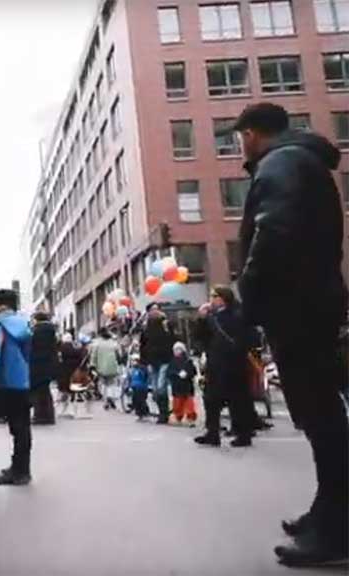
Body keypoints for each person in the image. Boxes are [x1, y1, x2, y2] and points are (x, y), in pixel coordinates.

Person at [232, 102, 348, 566]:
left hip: (296, 306)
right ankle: (330, 510)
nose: (240, 144)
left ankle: (337, 529)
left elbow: (273, 233)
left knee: (321, 417)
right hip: (309, 303)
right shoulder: (302, 161)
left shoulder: (280, 163)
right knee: (321, 416)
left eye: (240, 136)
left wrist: (250, 294)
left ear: (252, 133)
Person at [193, 286, 254, 447]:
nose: (211, 299)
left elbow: (248, 337)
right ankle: (212, 432)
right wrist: (201, 318)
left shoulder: (237, 315)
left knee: (237, 401)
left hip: (234, 364)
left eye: (214, 296)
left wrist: (238, 351)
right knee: (211, 399)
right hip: (215, 363)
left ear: (222, 298)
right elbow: (199, 337)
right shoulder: (211, 317)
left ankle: (243, 434)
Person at [0, 289, 34, 486]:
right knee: (23, 427)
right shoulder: (24, 324)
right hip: (23, 380)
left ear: (2, 305)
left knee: (16, 427)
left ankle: (18, 472)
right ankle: (22, 469)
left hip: (6, 380)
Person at [140, 303, 175, 424]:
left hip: (165, 359)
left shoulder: (166, 324)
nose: (155, 312)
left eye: (157, 309)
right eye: (152, 310)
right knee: (155, 389)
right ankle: (162, 411)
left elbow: (174, 339)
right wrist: (144, 361)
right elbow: (143, 345)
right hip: (152, 361)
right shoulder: (146, 327)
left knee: (161, 387)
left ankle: (164, 414)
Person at [29, 312, 59, 425]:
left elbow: (33, 348)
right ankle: (48, 416)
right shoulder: (50, 331)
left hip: (38, 365)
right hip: (48, 364)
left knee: (38, 391)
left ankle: (40, 416)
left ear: (37, 319)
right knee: (45, 391)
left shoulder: (37, 331)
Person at [90, 328, 123, 410]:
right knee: (111, 383)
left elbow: (94, 355)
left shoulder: (97, 343)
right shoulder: (113, 343)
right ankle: (110, 396)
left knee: (103, 384)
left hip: (101, 367)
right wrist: (119, 362)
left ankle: (106, 401)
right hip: (112, 366)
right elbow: (119, 354)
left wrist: (92, 365)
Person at [166, 342, 197, 426]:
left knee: (189, 404)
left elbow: (193, 371)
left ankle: (190, 418)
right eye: (175, 349)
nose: (177, 351)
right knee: (177, 404)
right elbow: (169, 372)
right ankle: (178, 417)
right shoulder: (172, 361)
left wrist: (187, 373)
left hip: (187, 386)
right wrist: (176, 374)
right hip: (177, 386)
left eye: (179, 349)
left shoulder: (188, 360)